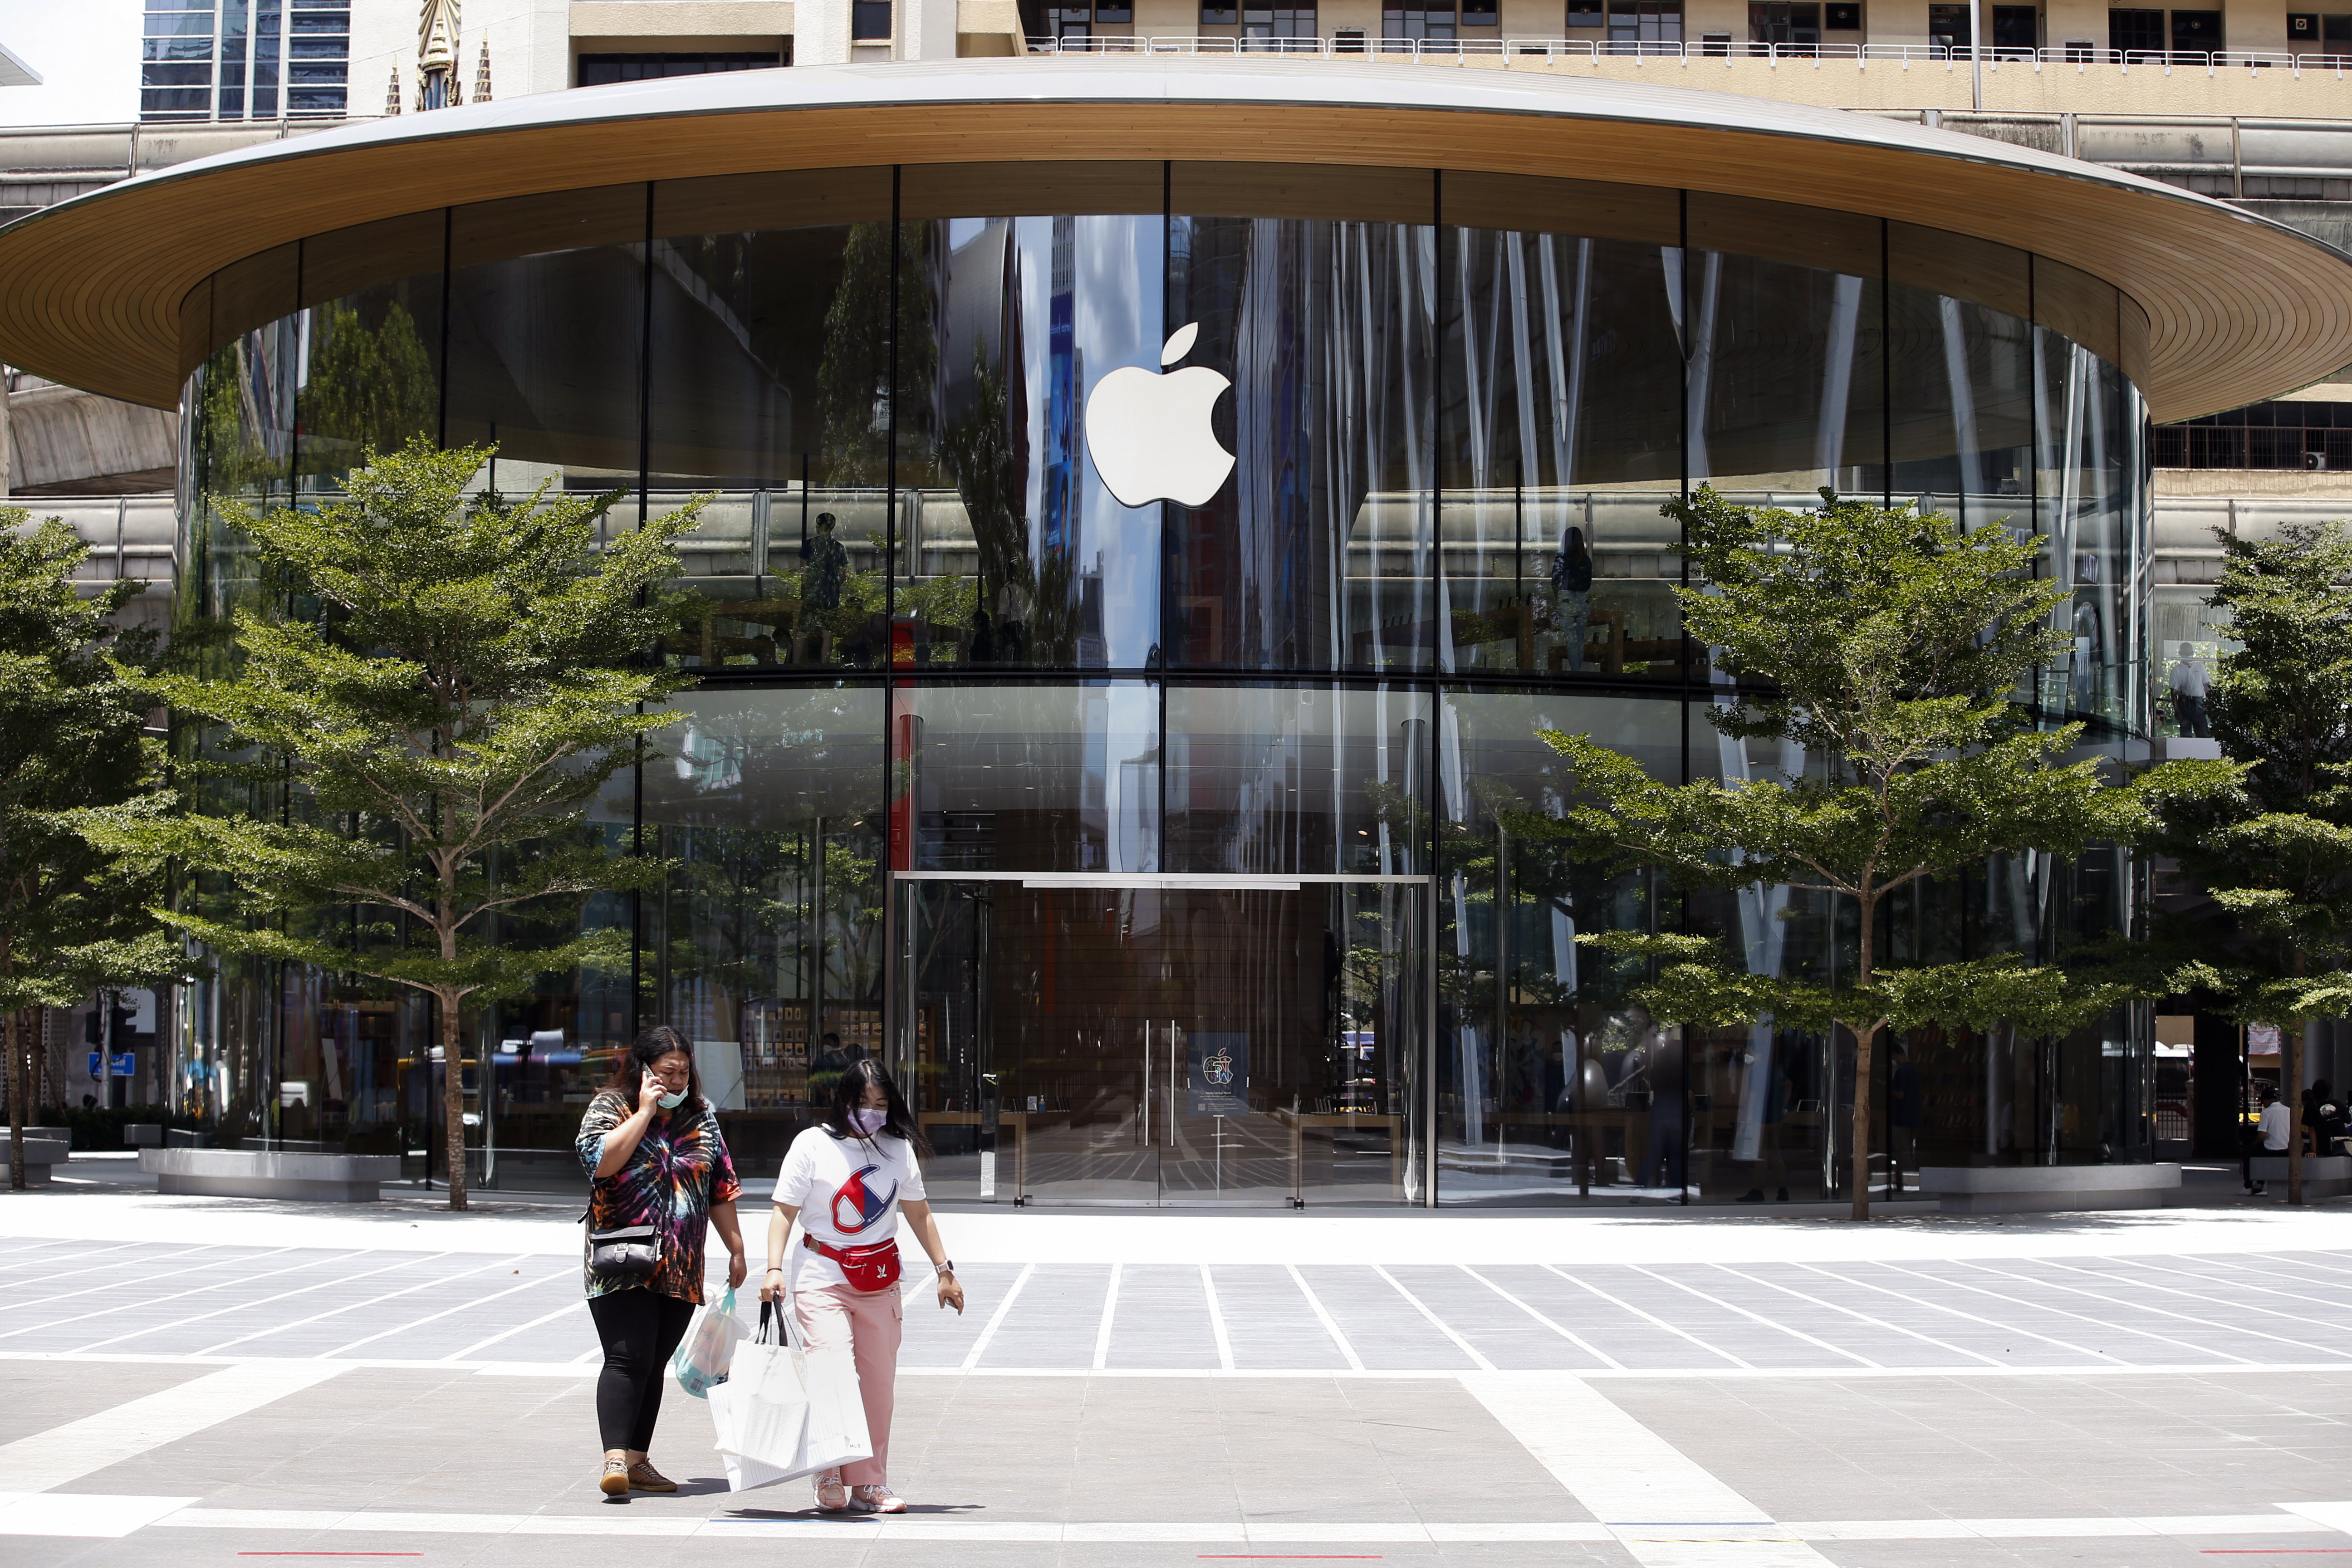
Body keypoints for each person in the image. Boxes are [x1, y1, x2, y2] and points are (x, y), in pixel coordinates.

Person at [762, 1059, 964, 1514]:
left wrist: (944, 1270)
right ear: (843, 1101)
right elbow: (783, 1212)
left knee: (878, 1386)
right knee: (831, 1375)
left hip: (879, 1280)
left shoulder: (898, 1148)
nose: (872, 1113)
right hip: (822, 1274)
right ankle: (830, 1470)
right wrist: (773, 1268)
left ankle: (869, 1483)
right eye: (862, 1103)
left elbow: (919, 1212)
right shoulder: (812, 1145)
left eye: (881, 1104)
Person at [575, 1026, 747, 1499]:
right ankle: (613, 1457)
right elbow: (601, 1162)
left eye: (683, 1073)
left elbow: (720, 1188)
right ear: (644, 1070)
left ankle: (636, 1461)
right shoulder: (611, 1107)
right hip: (622, 1258)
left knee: (652, 1362)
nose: (676, 1083)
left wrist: (736, 1247)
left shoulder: (701, 1118)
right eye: (666, 1073)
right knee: (627, 1356)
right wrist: (646, 1111)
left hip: (681, 1263)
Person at [1549, 525, 1594, 671]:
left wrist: (1560, 597)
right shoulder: (1586, 560)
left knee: (1572, 642)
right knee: (1580, 641)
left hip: (1566, 599)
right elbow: (1588, 584)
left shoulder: (1562, 558)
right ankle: (1578, 672)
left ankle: (1576, 673)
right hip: (1582, 600)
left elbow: (1555, 581)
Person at [1887, 1042, 1922, 1192]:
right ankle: (1903, 1181)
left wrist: (1888, 1088)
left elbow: (1899, 1094)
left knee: (1902, 1151)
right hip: (1913, 1115)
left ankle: (1909, 1182)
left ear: (1896, 1055)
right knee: (1908, 1150)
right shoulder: (1914, 1070)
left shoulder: (1902, 1072)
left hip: (1901, 1117)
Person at [2248, 1083, 2291, 1195]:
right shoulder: (2289, 1111)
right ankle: (2259, 1183)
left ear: (2266, 1101)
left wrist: (2255, 1143)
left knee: (2249, 1154)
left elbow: (2262, 1136)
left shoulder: (2266, 1112)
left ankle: (2251, 1185)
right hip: (2287, 1149)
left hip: (2270, 1148)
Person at [801, 513, 848, 612]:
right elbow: (842, 573)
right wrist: (833, 587)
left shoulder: (808, 545)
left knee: (811, 623)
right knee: (829, 622)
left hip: (813, 593)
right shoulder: (839, 547)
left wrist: (809, 587)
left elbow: (804, 570)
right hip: (831, 594)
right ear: (833, 527)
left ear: (818, 526)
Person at [2168, 642, 2210, 737]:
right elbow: (2174, 692)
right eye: (2186, 653)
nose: (2188, 655)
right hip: (2185, 703)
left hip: (2199, 702)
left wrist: (2210, 702)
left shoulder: (2200, 667)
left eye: (2190, 653)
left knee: (2203, 732)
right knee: (2186, 733)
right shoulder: (2177, 670)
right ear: (2180, 653)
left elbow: (2207, 685)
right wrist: (2176, 709)